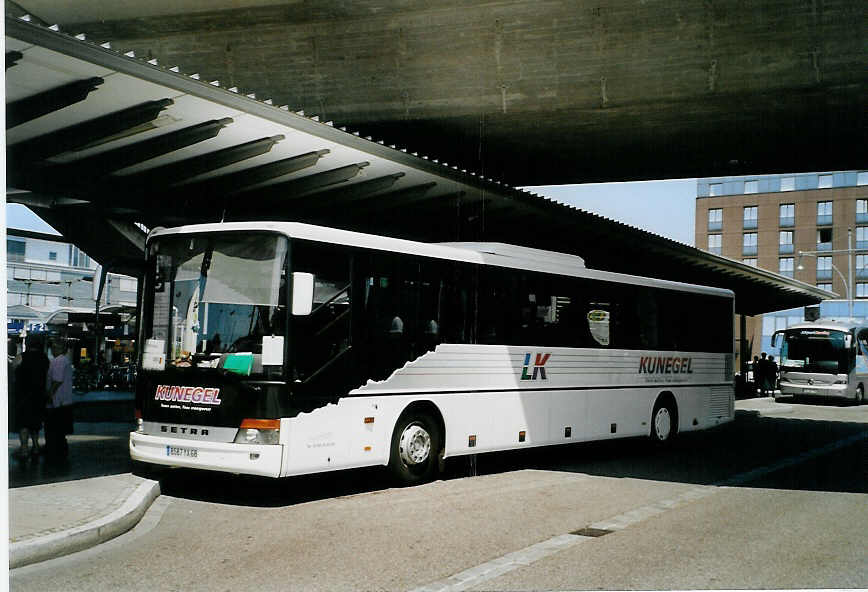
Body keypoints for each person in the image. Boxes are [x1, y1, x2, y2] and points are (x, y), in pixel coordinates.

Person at [14, 336, 50, 459]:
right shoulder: (44, 358)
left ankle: (24, 449)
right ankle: (35, 447)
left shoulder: (21, 357)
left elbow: (12, 370)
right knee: (35, 423)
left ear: (28, 344)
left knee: (23, 423)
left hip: (23, 395)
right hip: (39, 395)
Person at [45, 338, 75, 461]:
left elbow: (57, 380)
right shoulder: (65, 360)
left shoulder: (58, 361)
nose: (52, 350)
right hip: (65, 400)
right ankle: (60, 450)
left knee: (54, 428)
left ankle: (55, 451)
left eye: (55, 347)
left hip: (58, 401)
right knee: (60, 430)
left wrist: (49, 395)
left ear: (61, 349)